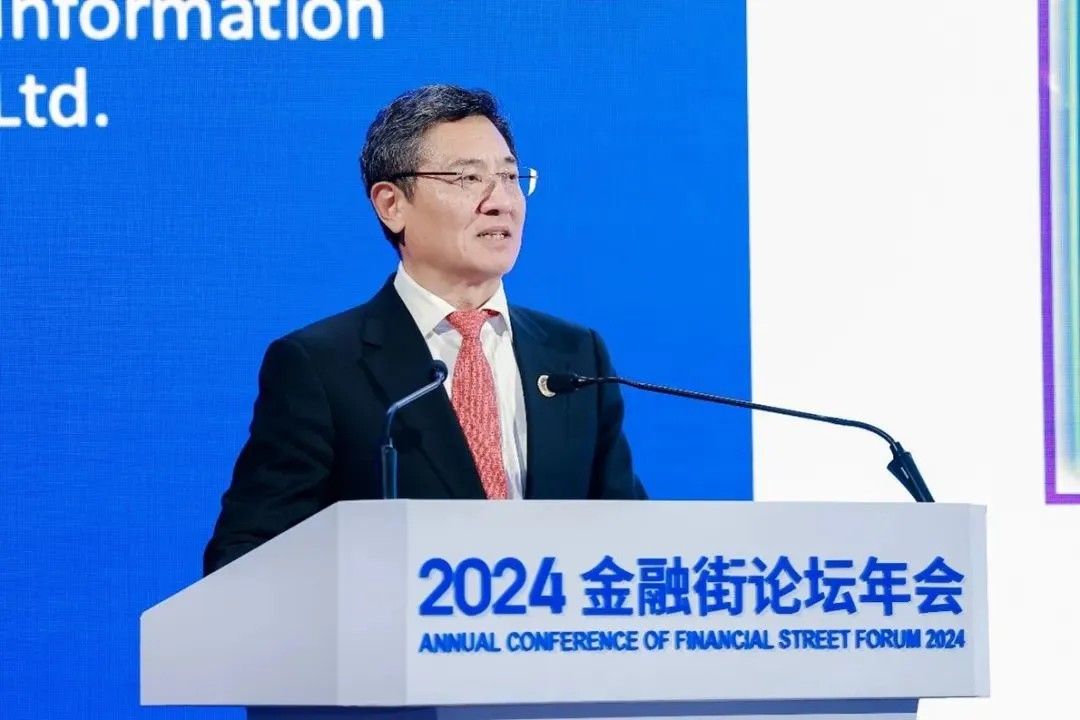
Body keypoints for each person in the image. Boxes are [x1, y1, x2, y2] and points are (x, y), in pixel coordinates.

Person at [202, 84, 645, 576]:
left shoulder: (574, 356)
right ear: (391, 204)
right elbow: (246, 559)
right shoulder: (321, 367)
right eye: (468, 178)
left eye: (509, 176)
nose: (501, 202)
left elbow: (630, 540)